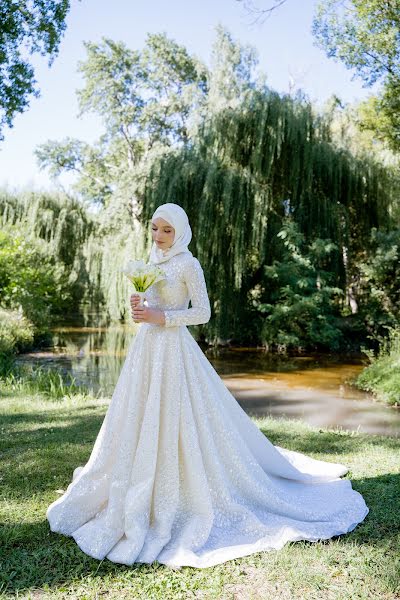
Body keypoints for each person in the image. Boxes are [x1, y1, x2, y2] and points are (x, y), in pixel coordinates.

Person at [46, 202, 369, 569]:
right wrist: (139, 305)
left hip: (173, 348)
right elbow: (148, 305)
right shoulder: (151, 260)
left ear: (180, 232)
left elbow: (203, 312)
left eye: (166, 230)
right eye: (155, 227)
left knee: (180, 414)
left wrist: (161, 316)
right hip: (146, 349)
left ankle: (183, 482)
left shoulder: (188, 263)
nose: (158, 235)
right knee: (138, 411)